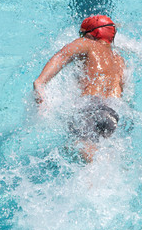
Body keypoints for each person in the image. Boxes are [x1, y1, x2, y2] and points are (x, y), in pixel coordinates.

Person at [33, 15, 125, 162]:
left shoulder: (86, 43)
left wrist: (40, 82)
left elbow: (61, 56)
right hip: (112, 113)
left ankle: (94, 180)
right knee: (103, 154)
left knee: (85, 150)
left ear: (90, 34)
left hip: (90, 107)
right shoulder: (119, 59)